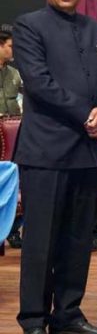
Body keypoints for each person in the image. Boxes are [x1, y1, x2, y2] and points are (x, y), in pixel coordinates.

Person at [13, 0, 97, 334]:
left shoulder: (95, 29)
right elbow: (39, 83)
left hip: (88, 150)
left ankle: (68, 314)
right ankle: (34, 321)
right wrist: (87, 113)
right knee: (41, 241)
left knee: (78, 240)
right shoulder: (29, 25)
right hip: (45, 152)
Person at [0, 29, 24, 249]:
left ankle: (13, 229)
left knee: (18, 181)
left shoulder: (15, 74)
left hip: (14, 137)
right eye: (10, 46)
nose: (13, 50)